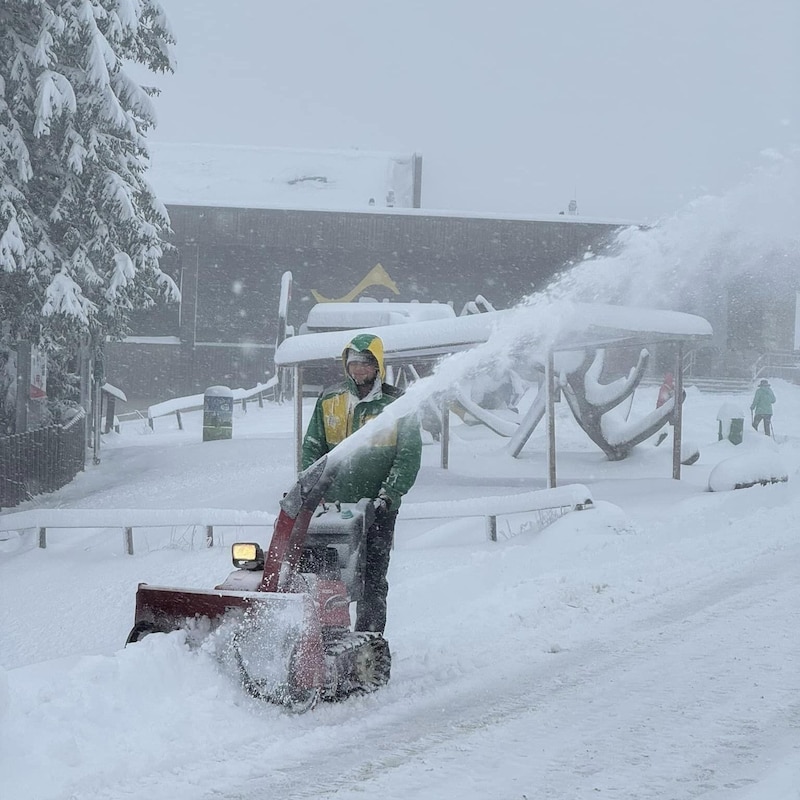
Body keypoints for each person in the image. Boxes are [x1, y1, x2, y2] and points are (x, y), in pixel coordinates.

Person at [301, 333, 422, 634]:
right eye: (353, 364)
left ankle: (368, 644)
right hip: (332, 509)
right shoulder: (330, 400)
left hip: (377, 509)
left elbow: (408, 455)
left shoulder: (397, 404)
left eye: (365, 364)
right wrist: (312, 491)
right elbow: (312, 448)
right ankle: (328, 636)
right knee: (326, 577)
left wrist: (388, 495)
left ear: (378, 365)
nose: (358, 370)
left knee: (371, 579)